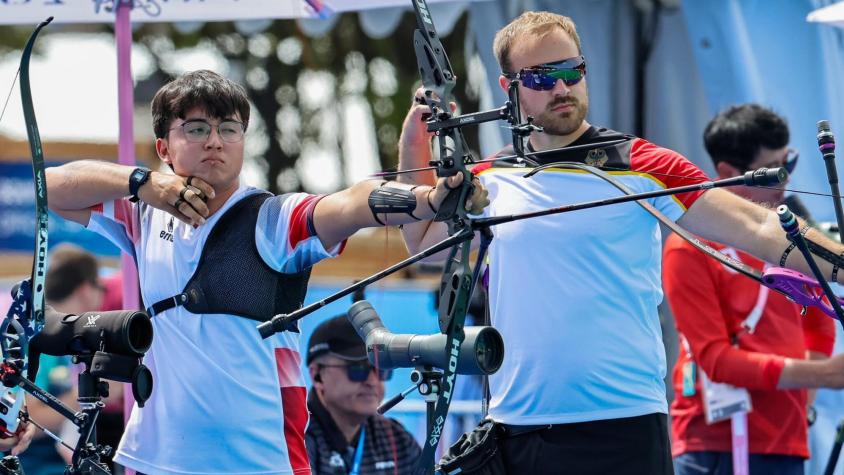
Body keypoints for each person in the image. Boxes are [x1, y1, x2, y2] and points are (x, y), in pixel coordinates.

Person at [397, 11, 844, 474]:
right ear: (509, 88)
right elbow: (424, 241)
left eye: (572, 71)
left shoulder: (640, 162)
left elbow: (759, 229)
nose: (561, 88)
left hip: (624, 424)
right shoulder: (492, 178)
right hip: (518, 426)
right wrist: (415, 137)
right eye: (540, 78)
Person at [44, 69, 487, 475]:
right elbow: (54, 187)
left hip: (258, 461)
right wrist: (145, 182)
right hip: (155, 458)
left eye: (229, 129)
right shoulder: (144, 214)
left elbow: (350, 204)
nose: (215, 141)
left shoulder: (271, 220)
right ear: (164, 147)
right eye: (197, 129)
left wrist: (428, 202)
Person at [665, 104, 842, 475]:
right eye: (775, 172)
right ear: (728, 173)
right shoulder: (690, 244)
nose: (787, 182)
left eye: (789, 164)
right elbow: (715, 359)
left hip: (787, 440)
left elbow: (819, 328)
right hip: (715, 444)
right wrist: (822, 375)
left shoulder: (794, 232)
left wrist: (803, 406)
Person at [304, 315, 421, 474]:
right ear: (317, 375)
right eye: (358, 368)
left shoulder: (398, 439)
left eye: (381, 370)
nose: (372, 381)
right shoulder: (295, 438)